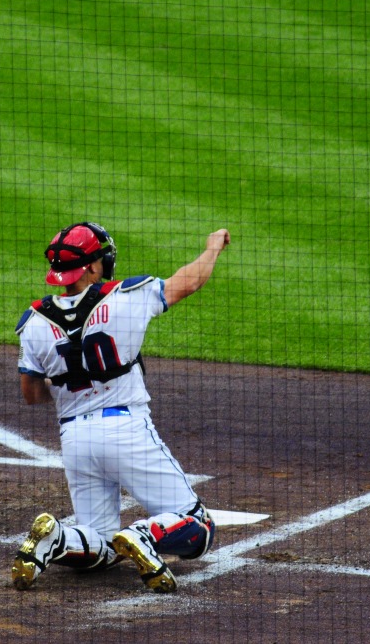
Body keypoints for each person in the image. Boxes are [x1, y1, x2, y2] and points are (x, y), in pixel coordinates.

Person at [12, 222, 230, 593]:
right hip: (127, 430)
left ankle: (58, 539)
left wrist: (68, 381)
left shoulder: (33, 322)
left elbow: (31, 394)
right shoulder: (126, 297)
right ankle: (144, 534)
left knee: (99, 540)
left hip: (75, 438)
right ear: (93, 267)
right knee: (199, 526)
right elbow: (187, 282)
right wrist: (212, 248)